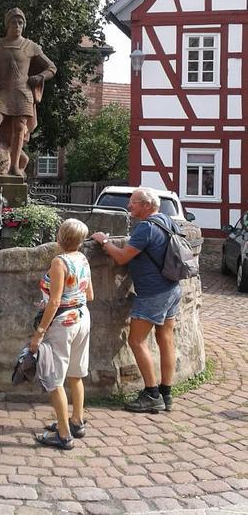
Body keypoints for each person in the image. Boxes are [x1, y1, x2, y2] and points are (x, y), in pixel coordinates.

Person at [92, 187, 181, 413]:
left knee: (137, 341)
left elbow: (122, 257)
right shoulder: (166, 221)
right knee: (165, 339)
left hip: (153, 293)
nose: (129, 206)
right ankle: (166, 393)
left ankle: (152, 394)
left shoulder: (146, 227)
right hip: (172, 288)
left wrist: (104, 241)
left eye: (133, 202)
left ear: (147, 205)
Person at [30, 218, 93, 450]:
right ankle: (77, 421)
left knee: (54, 378)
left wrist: (39, 332)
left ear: (60, 237)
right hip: (82, 317)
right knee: (76, 374)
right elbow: (90, 294)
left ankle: (64, 435)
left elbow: (55, 302)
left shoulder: (59, 262)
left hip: (63, 324)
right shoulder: (83, 258)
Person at [0, 7, 57, 178]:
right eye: (14, 21)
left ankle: (14, 166)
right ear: (7, 24)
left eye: (20, 22)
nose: (17, 25)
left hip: (23, 93)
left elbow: (52, 68)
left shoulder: (31, 46)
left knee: (19, 128)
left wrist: (39, 77)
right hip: (2, 92)